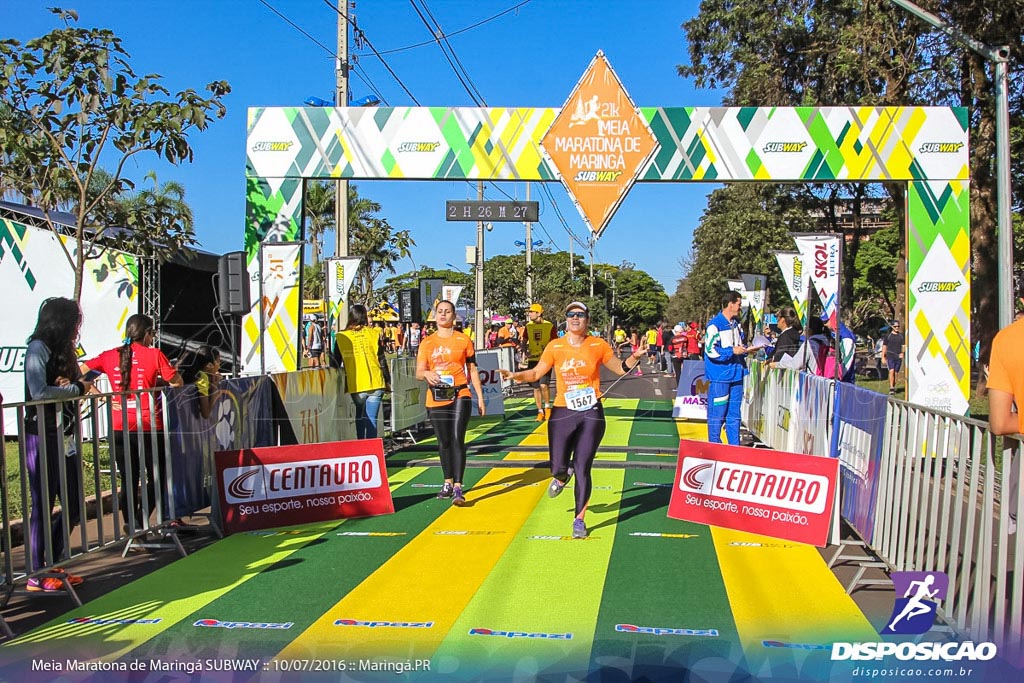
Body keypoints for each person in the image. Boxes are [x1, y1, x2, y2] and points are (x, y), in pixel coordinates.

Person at [501, 301, 649, 539]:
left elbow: (620, 369)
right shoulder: (555, 346)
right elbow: (537, 373)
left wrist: (635, 357)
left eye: (580, 315)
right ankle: (561, 476)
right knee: (558, 467)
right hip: (562, 411)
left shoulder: (597, 345)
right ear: (566, 319)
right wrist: (516, 375)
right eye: (571, 314)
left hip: (591, 411)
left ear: (587, 320)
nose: (575, 318)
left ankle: (579, 519)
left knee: (583, 467)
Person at [82, 314, 183, 531]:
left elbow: (81, 375)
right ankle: (139, 519)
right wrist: (155, 382)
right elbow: (177, 382)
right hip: (148, 424)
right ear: (147, 334)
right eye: (152, 334)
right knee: (160, 476)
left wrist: (102, 397)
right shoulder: (154, 354)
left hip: (119, 425)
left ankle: (132, 525)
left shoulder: (110, 355)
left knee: (128, 478)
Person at [23, 297, 91, 591]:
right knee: (43, 503)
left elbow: (71, 383)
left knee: (74, 502)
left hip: (66, 437)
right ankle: (37, 572)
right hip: (41, 435)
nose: (77, 326)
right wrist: (73, 389)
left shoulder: (65, 350)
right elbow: (38, 392)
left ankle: (51, 560)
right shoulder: (37, 349)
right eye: (75, 320)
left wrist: (75, 383)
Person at [416, 300, 485, 506]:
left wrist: (480, 397)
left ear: (454, 316)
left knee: (457, 438)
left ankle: (458, 485)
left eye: (447, 312)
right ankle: (447, 481)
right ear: (435, 316)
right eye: (440, 312)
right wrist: (427, 373)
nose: (443, 315)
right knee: (443, 441)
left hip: (460, 393)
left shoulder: (463, 340)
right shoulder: (427, 343)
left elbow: (472, 370)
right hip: (436, 396)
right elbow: (418, 372)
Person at [704, 291, 757, 445]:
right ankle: (715, 447)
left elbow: (739, 345)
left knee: (734, 415)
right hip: (720, 376)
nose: (740, 307)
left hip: (737, 374)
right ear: (730, 304)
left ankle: (734, 449)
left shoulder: (736, 324)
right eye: (739, 304)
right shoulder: (714, 325)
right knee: (717, 415)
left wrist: (746, 349)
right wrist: (731, 351)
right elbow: (710, 350)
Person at [336, 304, 391, 439]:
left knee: (360, 416)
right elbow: (382, 360)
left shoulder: (341, 336)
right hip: (376, 382)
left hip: (357, 383)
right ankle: (372, 450)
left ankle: (361, 448)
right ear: (364, 316)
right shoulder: (374, 333)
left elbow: (335, 361)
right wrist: (388, 380)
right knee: (371, 419)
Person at [524, 303, 557, 422]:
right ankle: (540, 411)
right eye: (529, 312)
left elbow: (555, 341)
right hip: (532, 360)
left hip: (545, 360)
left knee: (544, 385)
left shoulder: (549, 326)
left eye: (532, 312)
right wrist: (524, 351)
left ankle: (548, 407)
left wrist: (548, 350)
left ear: (539, 313)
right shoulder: (528, 326)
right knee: (536, 387)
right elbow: (524, 340)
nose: (530, 314)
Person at [180, 345, 222, 419]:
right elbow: (205, 413)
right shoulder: (202, 378)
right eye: (218, 362)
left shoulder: (189, 373)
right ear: (209, 365)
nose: (219, 367)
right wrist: (214, 389)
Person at [824, 313, 857, 383]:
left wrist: (839, 379)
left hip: (845, 382)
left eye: (826, 322)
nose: (824, 325)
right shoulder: (835, 334)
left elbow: (847, 363)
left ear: (833, 320)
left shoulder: (846, 338)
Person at [881, 320, 905, 395]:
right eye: (895, 326)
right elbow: (884, 347)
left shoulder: (901, 336)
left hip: (898, 357)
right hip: (890, 356)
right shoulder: (888, 336)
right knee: (891, 371)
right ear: (892, 327)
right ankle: (891, 387)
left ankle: (893, 386)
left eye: (898, 326)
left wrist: (902, 353)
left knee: (896, 373)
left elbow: (903, 346)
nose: (897, 328)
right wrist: (883, 357)